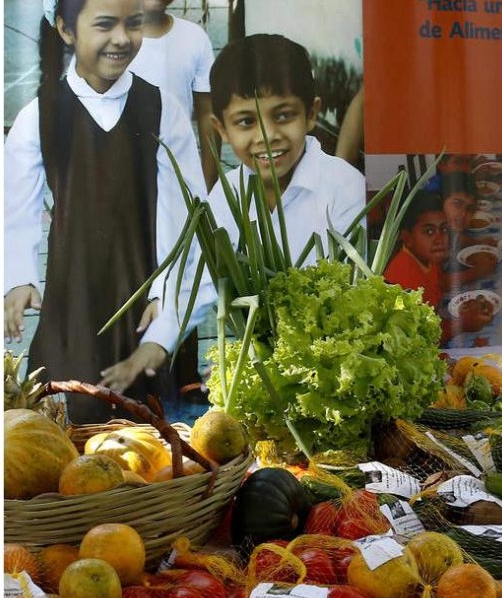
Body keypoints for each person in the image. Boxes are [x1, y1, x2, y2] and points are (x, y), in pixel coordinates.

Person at [100, 33, 368, 392]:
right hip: (260, 372)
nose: (267, 136)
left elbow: (342, 297)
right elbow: (201, 282)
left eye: (284, 116)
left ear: (312, 115)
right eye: (245, 122)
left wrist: (263, 364)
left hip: (331, 371)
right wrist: (153, 345)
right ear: (221, 129)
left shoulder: (342, 186)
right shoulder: (226, 198)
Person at [3, 0, 206, 423]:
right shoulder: (40, 116)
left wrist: (169, 303)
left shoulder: (162, 111)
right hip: (69, 316)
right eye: (104, 24)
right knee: (58, 439)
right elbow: (14, 210)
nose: (121, 38)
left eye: (133, 23)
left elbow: (190, 222)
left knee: (146, 443)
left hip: (141, 317)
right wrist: (17, 279)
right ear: (67, 29)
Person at [114, 0, 220, 190]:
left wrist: (208, 185)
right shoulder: (107, 37)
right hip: (117, 179)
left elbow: (207, 117)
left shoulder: (194, 39)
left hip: (177, 179)